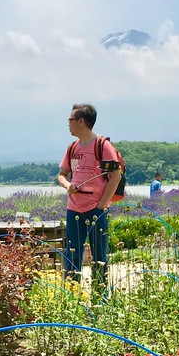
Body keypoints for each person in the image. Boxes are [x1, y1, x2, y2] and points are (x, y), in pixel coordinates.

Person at [57, 103, 123, 293]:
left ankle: (99, 296)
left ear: (81, 121)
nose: (68, 124)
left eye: (70, 120)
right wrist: (68, 185)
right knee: (72, 254)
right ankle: (72, 294)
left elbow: (115, 176)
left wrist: (102, 204)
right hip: (74, 208)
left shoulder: (103, 145)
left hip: (96, 209)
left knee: (99, 255)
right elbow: (62, 174)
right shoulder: (72, 147)